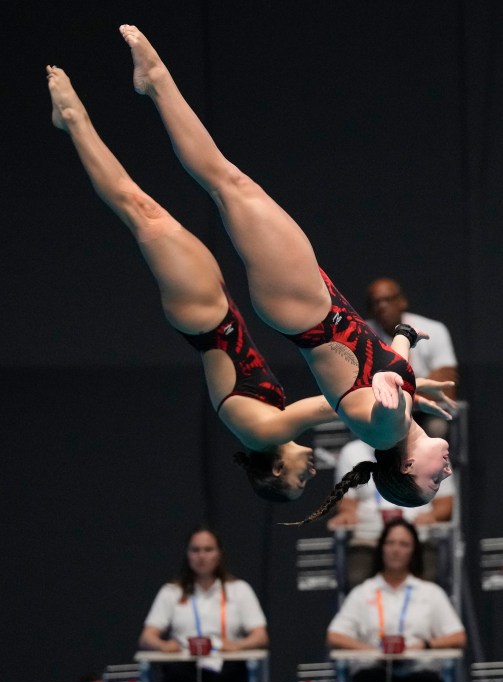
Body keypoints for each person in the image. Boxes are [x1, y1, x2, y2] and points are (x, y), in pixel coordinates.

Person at [115, 25, 456, 522]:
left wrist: (390, 392)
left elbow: (378, 404)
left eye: (430, 480)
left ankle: (157, 80)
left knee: (227, 183)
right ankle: (156, 82)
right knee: (230, 184)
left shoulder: (386, 430)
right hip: (311, 304)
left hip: (307, 311)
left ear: (405, 465)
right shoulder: (397, 423)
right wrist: (404, 340)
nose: (444, 473)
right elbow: (390, 370)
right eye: (440, 482)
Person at [45, 64, 345, 505]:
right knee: (143, 209)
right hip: (213, 314)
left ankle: (73, 119)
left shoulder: (264, 432)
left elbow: (334, 403)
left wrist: (404, 391)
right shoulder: (269, 424)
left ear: (278, 468)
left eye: (301, 482)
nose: (312, 473)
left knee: (139, 210)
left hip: (205, 319)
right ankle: (76, 118)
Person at [327, 519, 466, 682]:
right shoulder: (364, 592)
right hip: (376, 670)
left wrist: (425, 645)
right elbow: (335, 635)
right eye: (390, 543)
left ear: (413, 551)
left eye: (403, 544)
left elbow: (458, 637)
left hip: (417, 671)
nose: (396, 549)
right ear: (381, 547)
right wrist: (371, 651)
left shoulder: (430, 593)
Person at [139, 526, 268, 682]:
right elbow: (147, 636)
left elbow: (260, 636)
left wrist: (238, 645)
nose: (201, 556)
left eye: (208, 550)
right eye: (195, 550)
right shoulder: (171, 592)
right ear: (187, 554)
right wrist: (162, 645)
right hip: (186, 667)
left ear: (219, 554)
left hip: (225, 668)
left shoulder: (238, 590)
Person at [327, 438, 455, 586]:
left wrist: (433, 515)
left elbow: (445, 503)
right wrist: (348, 515)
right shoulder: (352, 452)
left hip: (417, 538)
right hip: (369, 539)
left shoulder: (433, 451)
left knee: (429, 580)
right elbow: (347, 504)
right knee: (357, 578)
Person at [366, 277, 458, 438]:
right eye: (376, 302)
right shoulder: (364, 336)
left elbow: (446, 387)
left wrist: (398, 393)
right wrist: (421, 385)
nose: (382, 306)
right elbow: (362, 392)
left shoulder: (433, 330)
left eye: (388, 300)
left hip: (422, 410)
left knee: (437, 427)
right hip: (384, 415)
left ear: (402, 301)